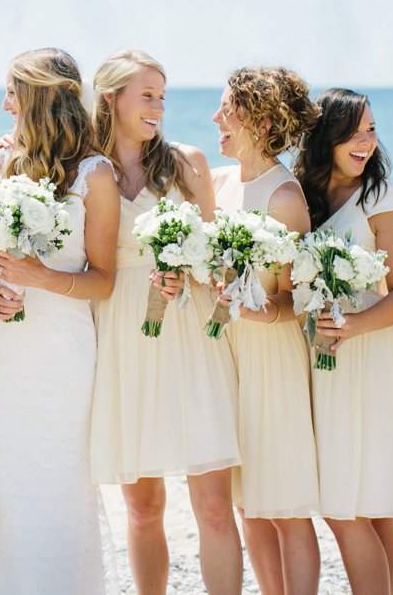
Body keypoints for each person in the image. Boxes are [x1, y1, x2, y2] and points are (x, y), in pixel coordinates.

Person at [0, 47, 120, 595]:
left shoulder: (96, 175)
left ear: (42, 94)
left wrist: (41, 278)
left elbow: (104, 278)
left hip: (63, 349)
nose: (3, 105)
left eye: (11, 91)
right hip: (6, 347)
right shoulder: (0, 163)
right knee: (7, 479)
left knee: (57, 477)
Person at [89, 49, 243, 594]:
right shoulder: (86, 168)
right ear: (111, 99)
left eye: (162, 95)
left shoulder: (186, 163)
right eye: (146, 95)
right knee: (143, 505)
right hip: (118, 336)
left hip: (187, 336)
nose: (158, 107)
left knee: (215, 506)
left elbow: (219, 261)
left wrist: (191, 275)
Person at [292, 88, 393, 595]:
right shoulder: (302, 193)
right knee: (364, 503)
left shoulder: (382, 195)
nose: (365, 142)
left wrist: (355, 327)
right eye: (353, 131)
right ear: (324, 135)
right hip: (318, 358)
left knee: (348, 504)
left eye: (371, 129)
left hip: (368, 356)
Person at [212, 67, 322, 595]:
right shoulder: (224, 182)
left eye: (226, 109)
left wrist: (262, 313)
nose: (216, 119)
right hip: (228, 357)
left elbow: (295, 301)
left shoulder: (284, 197)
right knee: (247, 503)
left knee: (285, 505)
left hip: (271, 360)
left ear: (257, 120)